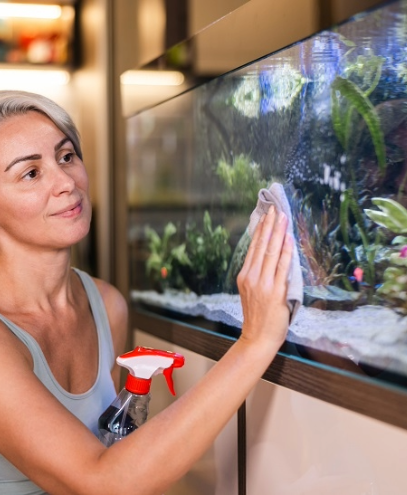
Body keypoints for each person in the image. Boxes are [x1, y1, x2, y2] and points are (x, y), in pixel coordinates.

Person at [0, 89, 293, 495]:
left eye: (66, 157)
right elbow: (100, 481)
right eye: (30, 173)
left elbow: (115, 448)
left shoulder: (106, 304)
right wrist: (256, 341)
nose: (66, 182)